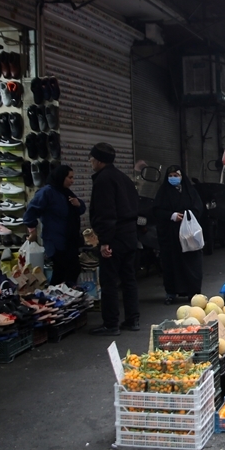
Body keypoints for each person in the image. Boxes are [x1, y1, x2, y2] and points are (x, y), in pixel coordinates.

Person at [88, 142, 140, 335]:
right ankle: (132, 319)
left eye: (92, 158)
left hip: (115, 237)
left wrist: (105, 241)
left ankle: (110, 324)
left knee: (109, 281)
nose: (90, 161)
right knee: (128, 279)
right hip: (129, 235)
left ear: (100, 160)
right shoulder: (123, 178)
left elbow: (106, 213)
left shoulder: (103, 180)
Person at [23, 165, 85, 286]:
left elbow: (81, 208)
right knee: (62, 271)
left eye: (73, 178)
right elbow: (30, 212)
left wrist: (78, 204)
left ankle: (64, 297)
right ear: (61, 177)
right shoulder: (47, 192)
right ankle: (55, 297)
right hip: (55, 241)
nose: (72, 181)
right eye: (69, 177)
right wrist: (32, 230)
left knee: (72, 270)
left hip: (69, 240)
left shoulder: (66, 192)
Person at [153, 165, 205, 305]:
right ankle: (171, 292)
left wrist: (188, 215)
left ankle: (193, 292)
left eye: (176, 175)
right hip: (170, 237)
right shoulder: (163, 192)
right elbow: (157, 211)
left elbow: (199, 208)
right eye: (170, 175)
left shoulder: (190, 192)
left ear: (182, 177)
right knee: (170, 265)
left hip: (189, 236)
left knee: (192, 264)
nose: (173, 178)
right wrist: (171, 215)